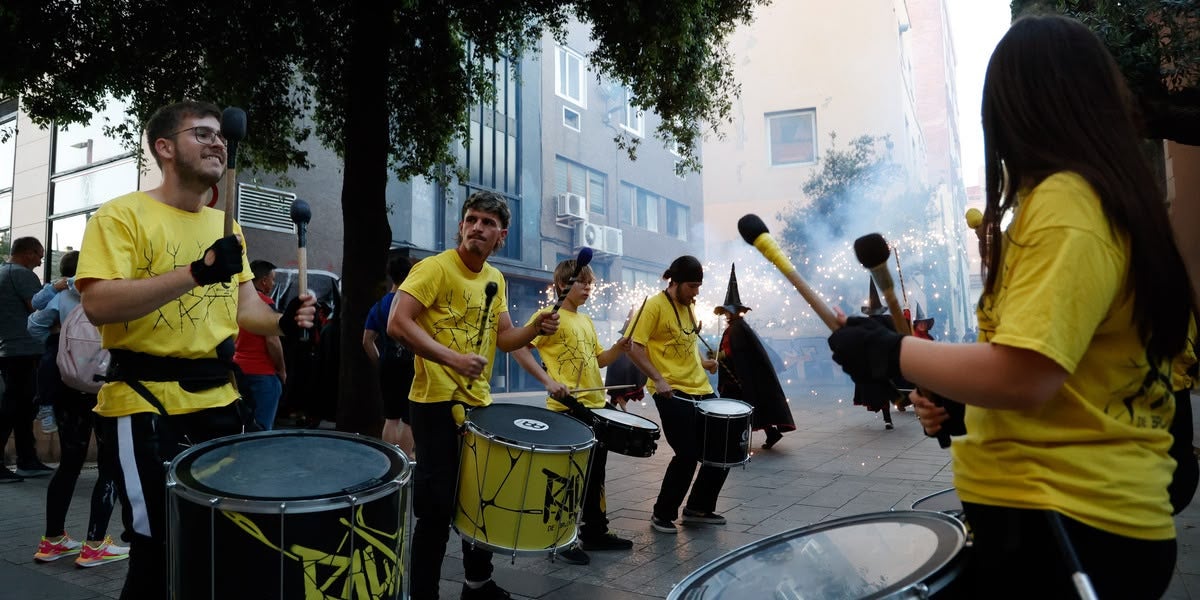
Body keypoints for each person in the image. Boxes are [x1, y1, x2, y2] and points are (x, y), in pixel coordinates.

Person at [828, 14, 1195, 598]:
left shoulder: (1067, 203)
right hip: (1073, 519)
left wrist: (892, 351)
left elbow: (1025, 376)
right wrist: (966, 400)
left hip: (1066, 523)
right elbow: (1070, 376)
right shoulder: (1105, 199)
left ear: (1016, 109)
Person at [75, 100, 316, 599]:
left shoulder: (225, 227)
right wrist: (197, 271)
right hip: (143, 403)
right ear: (164, 148)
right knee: (158, 546)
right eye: (201, 134)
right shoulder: (121, 216)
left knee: (220, 537)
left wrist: (284, 322)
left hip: (219, 400)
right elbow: (99, 304)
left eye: (221, 136)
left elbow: (244, 307)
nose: (218, 142)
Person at [388, 190, 559, 600]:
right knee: (436, 508)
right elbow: (398, 322)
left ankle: (477, 584)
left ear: (501, 235)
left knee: (480, 499)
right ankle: (423, 592)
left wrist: (535, 327)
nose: (477, 228)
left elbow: (503, 338)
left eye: (487, 223)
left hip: (478, 404)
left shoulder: (495, 278)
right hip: (433, 404)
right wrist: (453, 359)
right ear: (461, 226)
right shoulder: (434, 269)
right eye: (471, 220)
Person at [510, 258, 634, 566]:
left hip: (595, 407)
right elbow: (517, 347)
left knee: (595, 475)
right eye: (582, 281)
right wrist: (548, 381)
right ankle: (559, 537)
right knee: (567, 477)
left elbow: (599, 360)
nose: (588, 287)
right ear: (563, 285)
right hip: (567, 409)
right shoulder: (547, 316)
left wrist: (620, 347)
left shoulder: (587, 321)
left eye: (590, 282)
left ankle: (595, 531)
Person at [28, 250, 130, 567]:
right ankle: (96, 544)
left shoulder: (67, 295)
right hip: (107, 388)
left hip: (68, 386)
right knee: (110, 467)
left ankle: (53, 540)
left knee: (69, 464)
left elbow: (33, 325)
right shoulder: (120, 295)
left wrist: (58, 344)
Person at [625, 255, 723, 534]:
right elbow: (634, 347)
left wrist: (704, 363)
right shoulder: (654, 306)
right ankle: (662, 514)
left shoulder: (689, 307)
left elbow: (684, 345)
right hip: (671, 391)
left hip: (701, 387)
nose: (696, 292)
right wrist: (657, 378)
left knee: (722, 449)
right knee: (688, 453)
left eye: (698, 286)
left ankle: (698, 508)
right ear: (675, 282)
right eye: (692, 286)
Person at [713, 264, 795, 449]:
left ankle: (735, 439)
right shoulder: (738, 327)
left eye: (727, 310)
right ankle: (770, 433)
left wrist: (717, 354)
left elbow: (735, 352)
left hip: (738, 378)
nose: (726, 313)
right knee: (751, 403)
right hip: (739, 376)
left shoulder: (737, 328)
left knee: (736, 407)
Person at [0, 236, 55, 482]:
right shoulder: (22, 275)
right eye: (39, 255)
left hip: (9, 350)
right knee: (15, 408)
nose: (41, 260)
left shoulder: (3, 272)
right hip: (25, 350)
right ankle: (24, 460)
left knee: (21, 408)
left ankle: (28, 460)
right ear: (28, 253)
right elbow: (37, 307)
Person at [363, 254, 416, 456]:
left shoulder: (378, 306)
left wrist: (380, 363)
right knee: (408, 417)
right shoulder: (411, 305)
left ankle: (389, 458)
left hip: (387, 365)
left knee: (391, 416)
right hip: (410, 365)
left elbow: (366, 340)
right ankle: (404, 460)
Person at [233, 259, 287, 430]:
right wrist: (282, 370)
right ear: (264, 281)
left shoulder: (237, 303)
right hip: (263, 374)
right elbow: (272, 341)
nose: (273, 284)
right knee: (262, 431)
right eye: (272, 279)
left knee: (243, 426)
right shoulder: (265, 304)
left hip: (239, 371)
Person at [849, 281, 904, 430]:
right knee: (880, 390)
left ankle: (891, 414)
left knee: (887, 388)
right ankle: (890, 415)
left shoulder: (886, 322)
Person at [604, 308, 648, 408]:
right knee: (623, 381)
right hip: (625, 351)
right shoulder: (622, 344)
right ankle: (617, 401)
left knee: (634, 374)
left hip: (631, 349)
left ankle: (619, 401)